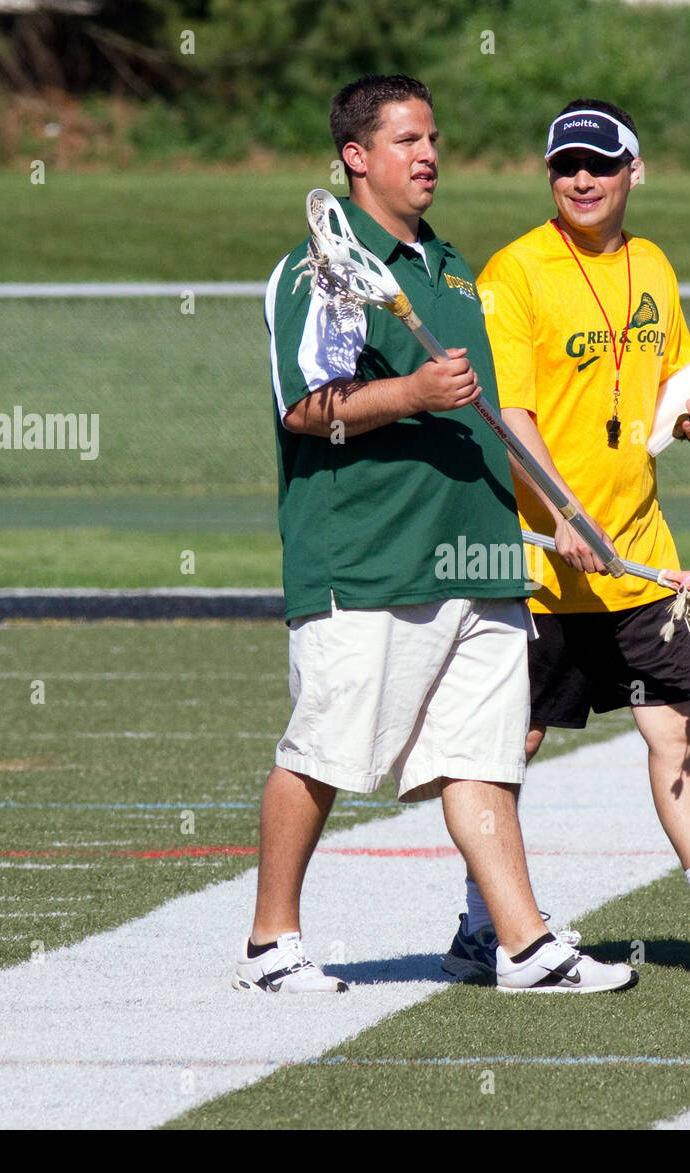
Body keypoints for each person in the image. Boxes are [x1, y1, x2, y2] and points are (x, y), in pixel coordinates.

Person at [234, 76, 636, 996]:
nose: (428, 155)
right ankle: (271, 944)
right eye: (406, 140)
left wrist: (558, 519)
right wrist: (411, 394)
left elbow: (495, 417)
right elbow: (305, 409)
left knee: (483, 762)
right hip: (372, 562)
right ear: (355, 157)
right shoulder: (319, 272)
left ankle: (523, 946)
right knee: (324, 754)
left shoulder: (452, 268)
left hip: (481, 559)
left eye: (433, 138)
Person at [442, 98, 690, 981]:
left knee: (675, 723)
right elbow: (511, 415)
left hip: (635, 551)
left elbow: (671, 401)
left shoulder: (652, 266)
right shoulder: (514, 273)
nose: (582, 179)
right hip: (541, 558)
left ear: (633, 172)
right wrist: (566, 516)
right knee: (514, 743)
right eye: (566, 166)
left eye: (601, 164)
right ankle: (481, 921)